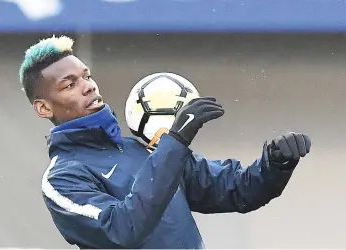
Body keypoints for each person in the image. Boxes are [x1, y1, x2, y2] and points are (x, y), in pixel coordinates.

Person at [19, 35, 311, 249]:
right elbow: (122, 229)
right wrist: (176, 141)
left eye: (87, 76)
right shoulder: (62, 179)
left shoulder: (142, 150)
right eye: (70, 84)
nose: (88, 86)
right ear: (44, 108)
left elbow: (239, 191)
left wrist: (275, 162)